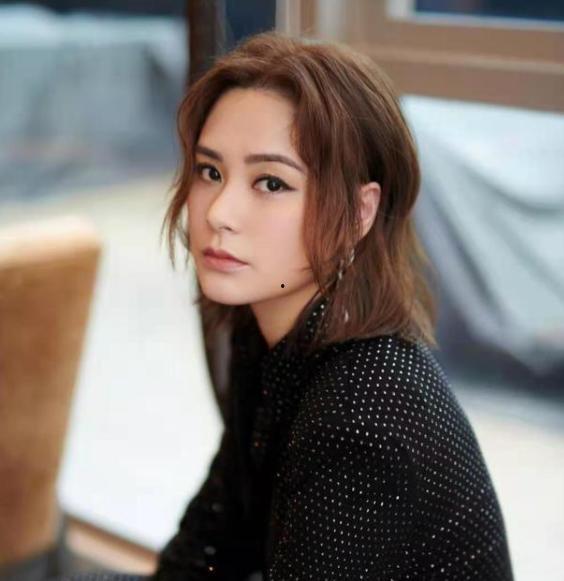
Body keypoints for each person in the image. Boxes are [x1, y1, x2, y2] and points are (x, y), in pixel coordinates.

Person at [54, 30, 515, 581]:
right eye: (210, 172)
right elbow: (208, 547)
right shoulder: (268, 336)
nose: (219, 212)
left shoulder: (361, 416)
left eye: (271, 183)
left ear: (358, 214)